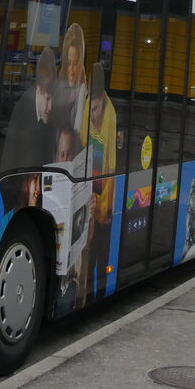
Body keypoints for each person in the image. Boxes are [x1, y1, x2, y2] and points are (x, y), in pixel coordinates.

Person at [85, 62, 117, 302]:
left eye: (96, 109)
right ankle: (88, 293)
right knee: (89, 253)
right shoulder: (87, 107)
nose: (92, 115)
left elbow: (112, 169)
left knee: (101, 255)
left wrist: (107, 211)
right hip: (88, 195)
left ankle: (99, 294)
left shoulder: (111, 115)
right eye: (91, 109)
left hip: (102, 204)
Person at [0, 46, 58, 176]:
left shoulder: (47, 111)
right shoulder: (24, 106)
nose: (51, 106)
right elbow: (11, 156)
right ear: (40, 90)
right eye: (48, 99)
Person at [56, 23, 89, 151]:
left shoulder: (83, 92)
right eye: (68, 63)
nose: (71, 70)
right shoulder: (58, 87)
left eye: (76, 64)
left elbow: (78, 133)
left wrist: (81, 95)